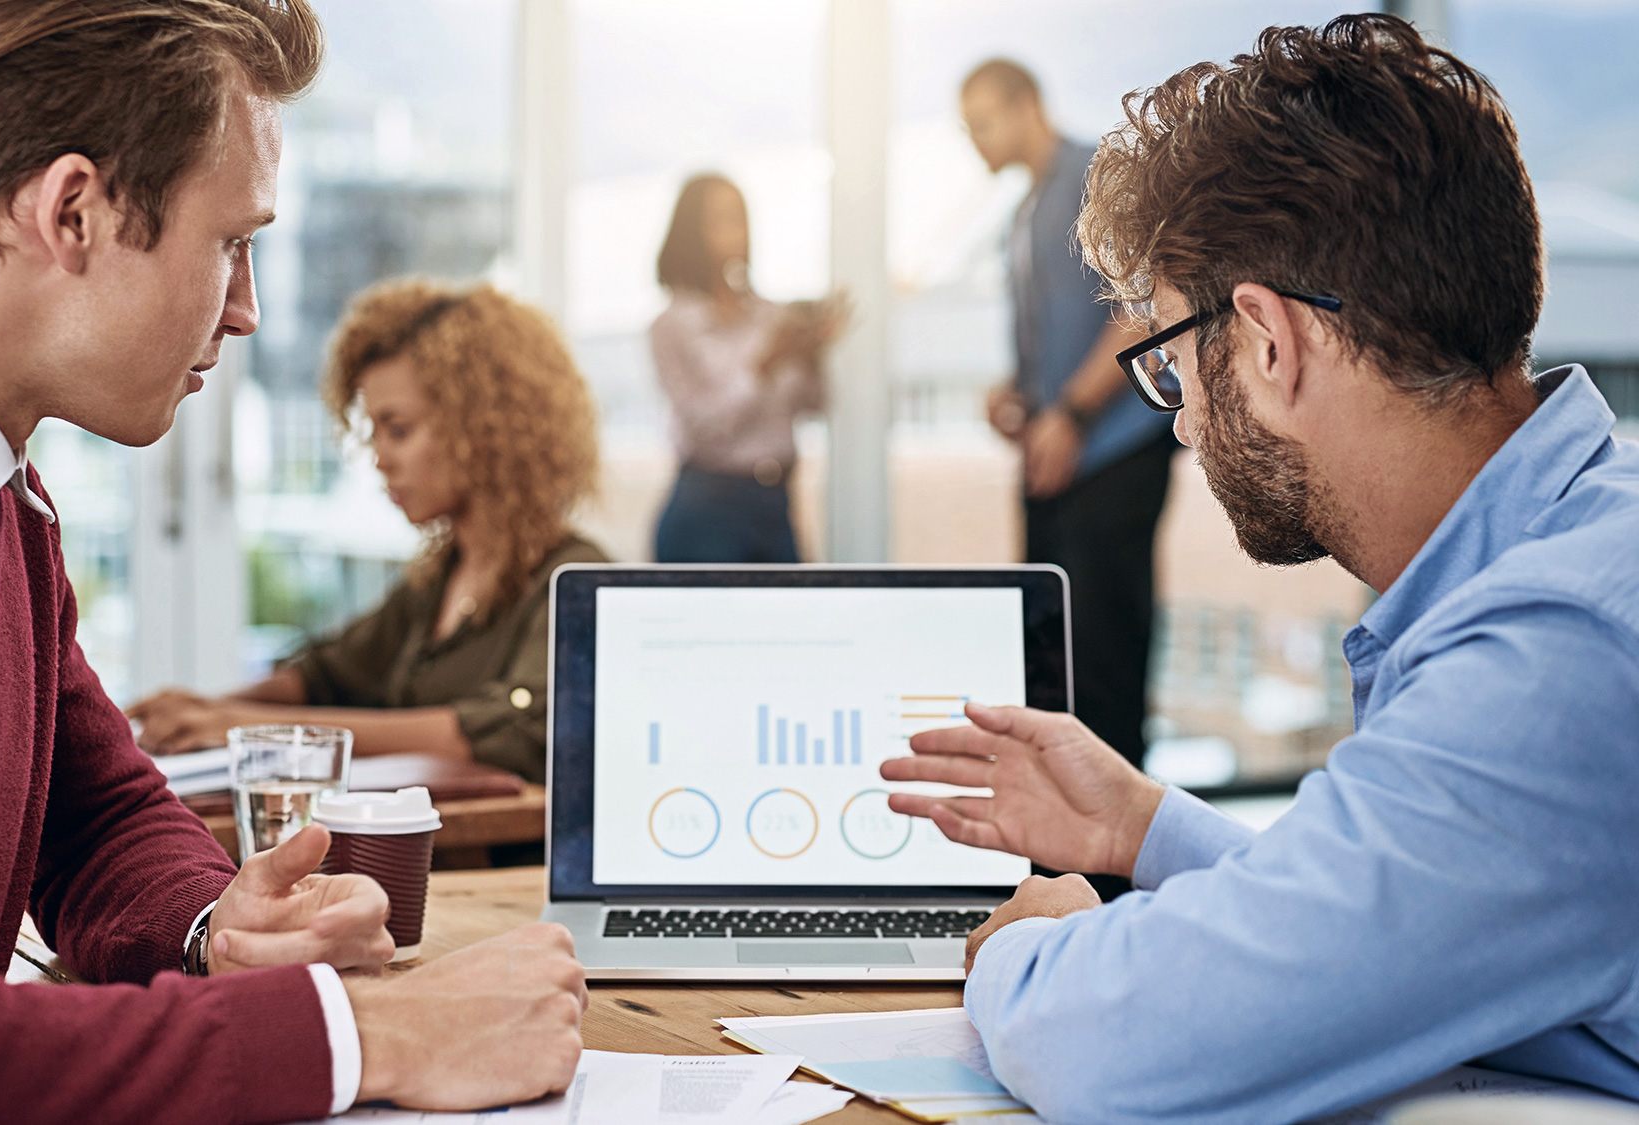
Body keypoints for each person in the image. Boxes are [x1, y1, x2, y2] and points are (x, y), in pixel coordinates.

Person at [0, 3, 587, 1121]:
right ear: (73, 211)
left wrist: (218, 927)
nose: (245, 311)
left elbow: (94, 821)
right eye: (232, 241)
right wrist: (360, 1036)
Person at [884, 16, 1639, 1122]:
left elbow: (1111, 1050)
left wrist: (1032, 950)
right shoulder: (1578, 558)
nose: (1183, 425)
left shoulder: (1553, 650)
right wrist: (1143, 829)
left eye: (1172, 367)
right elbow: (1422, 923)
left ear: (1268, 341)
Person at [127, 279, 609, 782]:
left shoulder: (574, 580)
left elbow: (503, 732)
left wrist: (239, 725)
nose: (380, 459)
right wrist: (202, 712)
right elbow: (327, 673)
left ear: (484, 428)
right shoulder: (441, 580)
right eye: (373, 432)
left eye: (398, 429)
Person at [962, 59, 1175, 771]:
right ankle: (1059, 858)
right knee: (1050, 667)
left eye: (982, 123)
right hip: (1057, 466)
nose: (975, 142)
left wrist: (1074, 416)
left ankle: (1118, 876)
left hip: (1109, 458)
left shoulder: (1096, 176)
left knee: (1104, 670)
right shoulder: (1024, 210)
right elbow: (1058, 337)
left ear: (1028, 106)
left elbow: (1142, 307)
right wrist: (1018, 393)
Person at [649, 173, 847, 563]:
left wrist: (810, 355)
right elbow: (705, 427)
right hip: (708, 508)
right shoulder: (672, 326)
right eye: (722, 219)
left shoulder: (771, 316)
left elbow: (814, 404)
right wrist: (764, 365)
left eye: (741, 218)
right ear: (691, 231)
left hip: (776, 505)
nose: (737, 232)